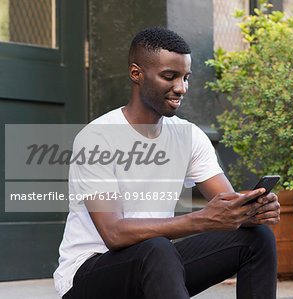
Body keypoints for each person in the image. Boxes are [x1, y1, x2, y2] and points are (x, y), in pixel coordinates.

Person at [54, 27, 280, 299]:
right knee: (157, 248)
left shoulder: (189, 135)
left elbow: (225, 203)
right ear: (136, 74)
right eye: (169, 77)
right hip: (90, 275)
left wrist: (249, 212)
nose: (181, 88)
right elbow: (113, 234)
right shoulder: (97, 138)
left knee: (257, 239)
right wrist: (200, 220)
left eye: (186, 78)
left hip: (156, 266)